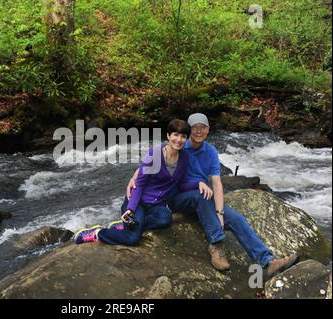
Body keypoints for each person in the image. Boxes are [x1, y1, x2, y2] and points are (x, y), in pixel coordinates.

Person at [126, 113, 299, 279]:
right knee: (202, 195)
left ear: (208, 130)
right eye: (195, 128)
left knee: (236, 219)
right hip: (180, 198)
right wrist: (134, 178)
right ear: (188, 131)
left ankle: (267, 262)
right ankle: (216, 245)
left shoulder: (210, 152)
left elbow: (216, 183)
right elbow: (154, 158)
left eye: (203, 127)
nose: (199, 131)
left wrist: (220, 212)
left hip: (204, 197)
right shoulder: (180, 144)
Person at [74, 119, 212, 246]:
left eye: (183, 136)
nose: (179, 139)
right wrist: (130, 209)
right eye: (176, 135)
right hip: (138, 201)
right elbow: (138, 184)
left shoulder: (185, 157)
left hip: (157, 205)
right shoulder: (154, 155)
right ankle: (98, 233)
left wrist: (198, 183)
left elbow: (180, 184)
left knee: (165, 220)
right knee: (132, 239)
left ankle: (127, 225)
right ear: (168, 136)